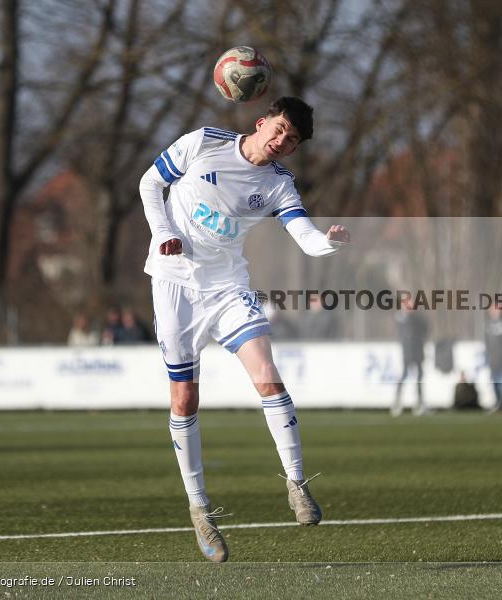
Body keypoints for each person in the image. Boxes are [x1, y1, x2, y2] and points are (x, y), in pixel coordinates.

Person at [139, 97, 350, 563]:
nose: (282, 141)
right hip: (174, 283)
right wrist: (162, 232)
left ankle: (296, 483)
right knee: (184, 399)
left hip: (228, 287)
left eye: (292, 140)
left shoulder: (278, 184)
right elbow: (150, 182)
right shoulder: (204, 143)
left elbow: (303, 233)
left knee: (268, 377)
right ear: (261, 122)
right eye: (279, 129)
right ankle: (200, 509)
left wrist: (328, 243)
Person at [391, 298, 429, 416]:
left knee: (419, 378)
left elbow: (425, 329)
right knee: (404, 375)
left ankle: (420, 403)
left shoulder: (417, 318)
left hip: (418, 352)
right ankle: (397, 402)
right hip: (407, 352)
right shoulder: (402, 319)